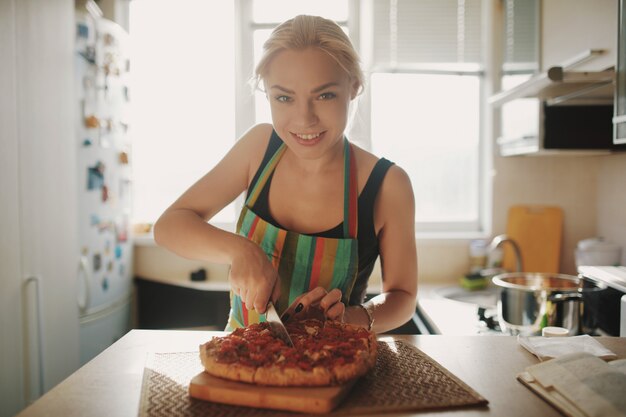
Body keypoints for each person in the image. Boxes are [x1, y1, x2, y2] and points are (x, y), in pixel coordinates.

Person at [154, 15, 417, 333]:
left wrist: (351, 319)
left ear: (354, 87)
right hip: (242, 362)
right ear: (266, 94)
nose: (304, 119)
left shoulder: (388, 185)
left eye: (324, 95)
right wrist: (241, 251)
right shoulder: (258, 148)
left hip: (334, 367)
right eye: (284, 98)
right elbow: (169, 226)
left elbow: (403, 297)